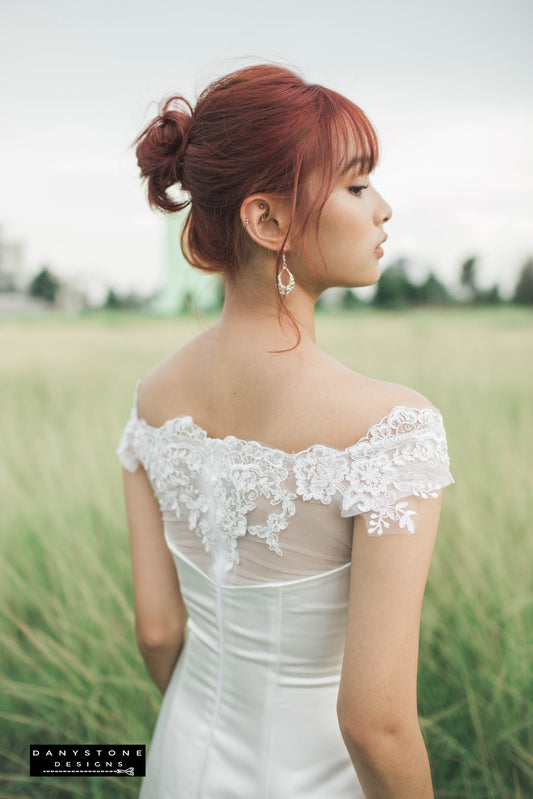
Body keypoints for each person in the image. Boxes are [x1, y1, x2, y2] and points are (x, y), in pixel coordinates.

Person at [116, 63, 454, 799]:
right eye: (358, 185)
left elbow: (156, 631)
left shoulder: (151, 399)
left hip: (180, 759)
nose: (383, 209)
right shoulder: (389, 431)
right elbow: (375, 722)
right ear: (267, 221)